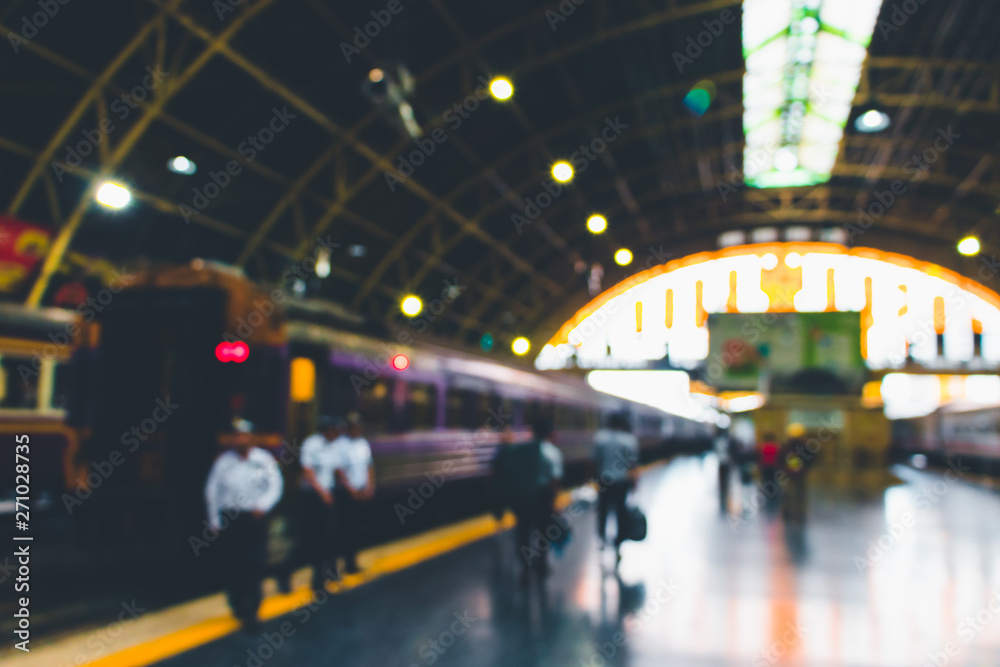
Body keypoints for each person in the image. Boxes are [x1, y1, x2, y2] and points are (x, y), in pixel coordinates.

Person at [204, 419, 283, 632]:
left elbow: (275, 485)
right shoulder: (223, 462)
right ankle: (237, 604)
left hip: (254, 517)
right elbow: (213, 492)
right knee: (233, 564)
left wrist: (264, 506)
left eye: (244, 435)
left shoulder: (263, 460)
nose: (240, 439)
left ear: (252, 438)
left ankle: (252, 610)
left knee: (255, 563)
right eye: (236, 435)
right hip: (232, 518)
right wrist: (214, 520)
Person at [296, 415, 344, 590]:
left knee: (329, 536)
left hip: (327, 496)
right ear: (327, 430)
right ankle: (314, 579)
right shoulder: (312, 444)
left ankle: (327, 574)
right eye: (334, 430)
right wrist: (322, 492)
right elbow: (307, 470)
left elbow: (337, 469)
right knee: (314, 538)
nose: (337, 434)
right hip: (313, 497)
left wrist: (348, 486)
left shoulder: (333, 445)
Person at [333, 411, 375, 574]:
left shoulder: (362, 443)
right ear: (348, 428)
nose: (357, 429)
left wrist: (370, 485)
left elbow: (368, 466)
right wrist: (350, 489)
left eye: (358, 426)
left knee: (355, 529)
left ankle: (351, 564)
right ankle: (335, 567)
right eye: (353, 426)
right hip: (345, 494)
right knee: (341, 530)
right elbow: (338, 470)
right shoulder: (340, 444)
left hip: (360, 492)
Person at [594, 411, 638, 556]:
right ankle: (618, 544)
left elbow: (593, 462)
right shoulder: (629, 440)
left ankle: (601, 540)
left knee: (603, 512)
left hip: (604, 482)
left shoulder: (600, 438)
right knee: (620, 513)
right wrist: (635, 484)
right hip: (621, 483)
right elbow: (632, 465)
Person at [781, 423, 812, 524]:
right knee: (799, 493)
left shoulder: (786, 446)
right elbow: (810, 458)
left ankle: (788, 511)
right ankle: (799, 512)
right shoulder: (805, 446)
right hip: (800, 474)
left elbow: (781, 458)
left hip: (789, 474)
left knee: (789, 493)